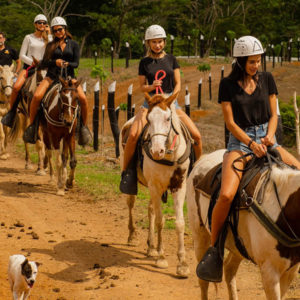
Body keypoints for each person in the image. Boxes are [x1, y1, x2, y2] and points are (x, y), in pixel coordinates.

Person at [196, 36, 300, 283]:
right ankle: (215, 250)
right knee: (226, 194)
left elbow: (273, 114)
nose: (256, 65)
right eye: (251, 61)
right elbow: (230, 122)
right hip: (240, 143)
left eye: (258, 60)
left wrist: (269, 136)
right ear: (240, 61)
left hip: (268, 139)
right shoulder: (227, 85)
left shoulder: (267, 79)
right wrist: (251, 143)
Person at [119, 24, 202, 195]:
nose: (158, 45)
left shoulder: (172, 59)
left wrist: (172, 97)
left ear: (164, 42)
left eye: (160, 42)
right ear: (148, 43)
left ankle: (196, 172)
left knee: (196, 136)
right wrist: (152, 86)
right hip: (149, 104)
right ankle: (128, 173)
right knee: (133, 135)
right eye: (154, 42)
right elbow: (142, 87)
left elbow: (178, 83)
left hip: (171, 103)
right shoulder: (144, 63)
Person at [23, 16, 91, 146]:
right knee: (36, 97)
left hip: (70, 77)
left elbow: (76, 63)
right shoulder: (50, 45)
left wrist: (66, 63)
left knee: (83, 99)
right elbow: (46, 62)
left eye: (60, 29)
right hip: (52, 76)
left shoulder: (74, 44)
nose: (58, 32)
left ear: (65, 29)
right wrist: (56, 62)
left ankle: (83, 128)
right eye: (54, 31)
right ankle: (32, 127)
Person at [2, 14, 52, 128]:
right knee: (16, 87)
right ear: (35, 24)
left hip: (45, 69)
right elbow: (22, 55)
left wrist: (49, 34)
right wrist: (33, 62)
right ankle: (11, 113)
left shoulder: (49, 38)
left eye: (44, 23)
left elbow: (52, 51)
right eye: (40, 22)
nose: (42, 24)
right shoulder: (28, 37)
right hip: (29, 68)